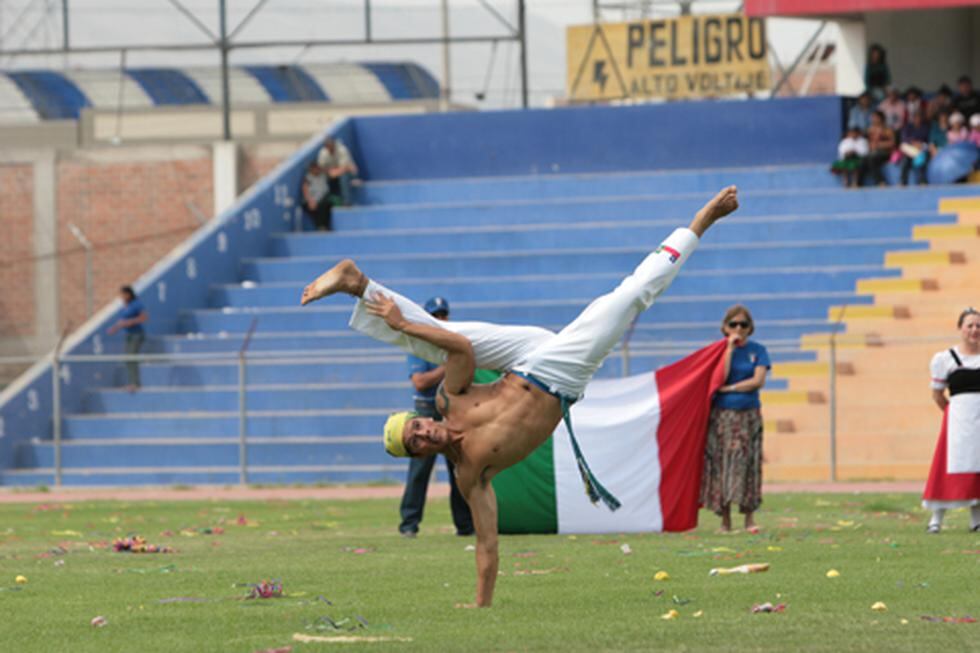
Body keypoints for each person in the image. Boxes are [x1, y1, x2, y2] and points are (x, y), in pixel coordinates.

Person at [299, 186, 740, 607]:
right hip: (560, 373)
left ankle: (356, 282)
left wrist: (401, 323)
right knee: (629, 297)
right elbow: (487, 543)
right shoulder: (471, 474)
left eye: (416, 425)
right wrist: (481, 604)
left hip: (522, 356)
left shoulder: (448, 401)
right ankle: (702, 223)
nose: (424, 431)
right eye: (416, 439)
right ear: (420, 454)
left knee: (441, 338)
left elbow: (462, 350)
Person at [398, 297, 475, 539]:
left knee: (459, 469)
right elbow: (419, 382)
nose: (441, 319)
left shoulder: (452, 342)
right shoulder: (419, 344)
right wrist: (449, 366)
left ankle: (465, 526)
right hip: (427, 411)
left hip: (452, 411)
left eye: (444, 315)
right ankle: (409, 524)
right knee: (420, 468)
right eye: (436, 315)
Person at [699, 305, 770, 533]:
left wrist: (732, 388)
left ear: (750, 328)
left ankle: (749, 518)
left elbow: (758, 380)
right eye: (733, 324)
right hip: (723, 417)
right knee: (725, 464)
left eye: (743, 324)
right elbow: (720, 376)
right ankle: (725, 521)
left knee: (748, 463)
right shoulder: (718, 351)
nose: (738, 328)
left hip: (749, 415)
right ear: (725, 327)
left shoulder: (758, 350)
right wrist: (729, 349)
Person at [922, 308, 980, 534]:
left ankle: (976, 519)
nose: (974, 330)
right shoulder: (945, 359)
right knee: (947, 468)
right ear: (960, 329)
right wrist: (954, 414)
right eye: (970, 326)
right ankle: (936, 518)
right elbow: (937, 394)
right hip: (958, 420)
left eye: (978, 326)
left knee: (977, 469)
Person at [106, 285, 148, 392]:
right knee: (128, 359)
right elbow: (122, 321)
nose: (122, 297)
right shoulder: (126, 306)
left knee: (132, 358)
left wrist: (130, 322)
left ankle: (135, 383)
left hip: (136, 334)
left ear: (129, 294)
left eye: (123, 294)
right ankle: (131, 382)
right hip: (129, 335)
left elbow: (144, 317)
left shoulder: (136, 304)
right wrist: (114, 328)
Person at [316, 137, 359, 207]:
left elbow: (344, 168)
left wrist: (332, 172)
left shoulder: (342, 150)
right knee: (322, 177)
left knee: (343, 176)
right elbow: (321, 168)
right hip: (333, 174)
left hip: (348, 173)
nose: (329, 147)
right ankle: (326, 202)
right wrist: (331, 172)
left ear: (334, 144)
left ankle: (347, 202)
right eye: (327, 145)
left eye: (331, 145)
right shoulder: (323, 153)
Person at [860, 111, 896, 187]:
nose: (873, 119)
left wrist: (879, 145)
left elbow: (892, 143)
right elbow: (868, 143)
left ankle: (881, 181)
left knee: (872, 158)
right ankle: (859, 183)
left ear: (881, 119)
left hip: (886, 152)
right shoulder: (870, 130)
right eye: (873, 117)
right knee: (864, 159)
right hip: (873, 152)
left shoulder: (887, 130)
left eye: (876, 117)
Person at [898, 110, 931, 186]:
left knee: (921, 158)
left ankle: (922, 180)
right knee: (905, 161)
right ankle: (903, 182)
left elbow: (928, 141)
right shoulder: (908, 127)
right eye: (916, 117)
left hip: (921, 149)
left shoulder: (925, 127)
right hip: (910, 151)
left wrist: (921, 144)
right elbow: (905, 139)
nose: (917, 119)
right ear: (913, 118)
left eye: (919, 117)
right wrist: (913, 143)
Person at [301, 161, 332, 231]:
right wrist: (310, 200)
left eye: (317, 168)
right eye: (314, 168)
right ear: (311, 169)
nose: (316, 170)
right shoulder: (308, 177)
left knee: (326, 205)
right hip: (311, 201)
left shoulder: (323, 176)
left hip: (322, 199)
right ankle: (320, 227)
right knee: (317, 208)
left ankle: (325, 227)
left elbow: (330, 172)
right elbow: (305, 188)